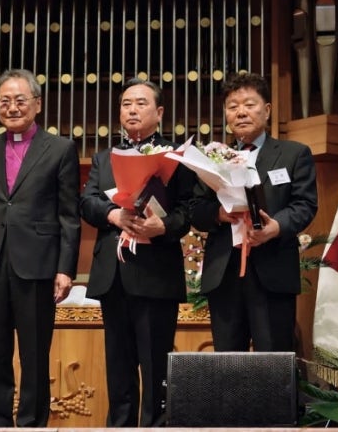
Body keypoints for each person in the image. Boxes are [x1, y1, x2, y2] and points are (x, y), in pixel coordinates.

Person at [0, 68, 81, 427]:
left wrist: (66, 268)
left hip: (38, 265)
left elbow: (69, 215)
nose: (12, 108)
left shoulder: (60, 149)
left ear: (37, 104)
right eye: (4, 101)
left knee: (35, 355)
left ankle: (31, 425)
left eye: (20, 100)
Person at [80, 78, 195, 427]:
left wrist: (164, 226)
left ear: (159, 112)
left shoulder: (176, 157)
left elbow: (189, 210)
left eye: (141, 103)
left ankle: (156, 426)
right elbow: (87, 202)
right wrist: (113, 215)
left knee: (156, 364)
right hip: (113, 275)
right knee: (118, 365)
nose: (132, 109)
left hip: (155, 273)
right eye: (126, 103)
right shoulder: (105, 157)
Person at [191, 72, 318, 351]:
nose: (241, 112)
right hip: (224, 273)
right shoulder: (213, 158)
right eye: (233, 106)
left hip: (272, 271)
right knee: (227, 364)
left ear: (267, 110)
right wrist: (218, 214)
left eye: (249, 104)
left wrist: (275, 227)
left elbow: (305, 205)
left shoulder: (293, 154)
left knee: (273, 362)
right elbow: (195, 209)